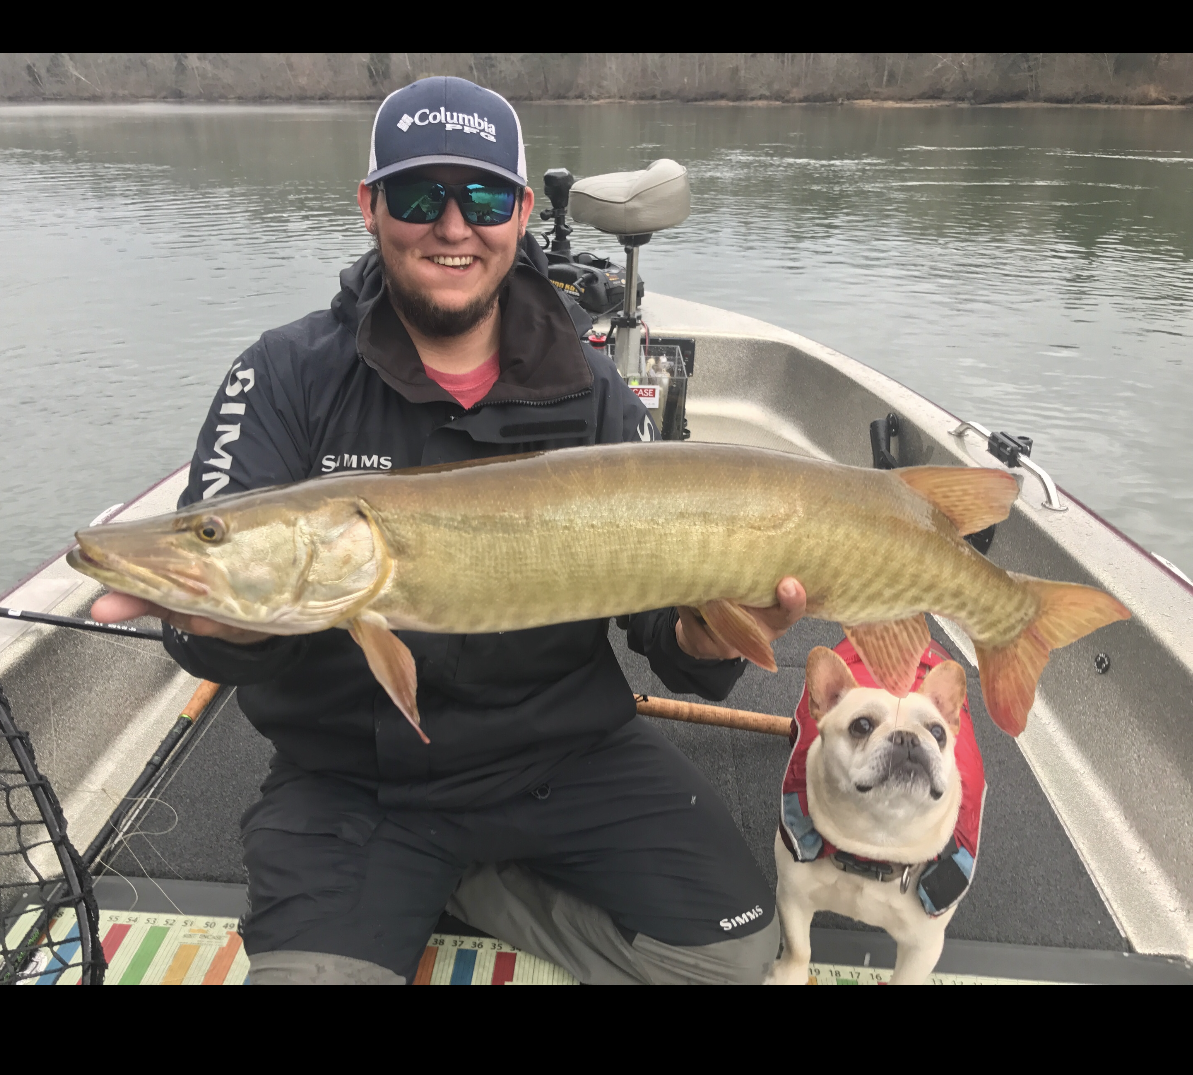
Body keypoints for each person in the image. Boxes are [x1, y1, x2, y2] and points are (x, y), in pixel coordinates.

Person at [92, 76, 807, 984]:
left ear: (520, 215)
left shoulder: (592, 390)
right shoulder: (283, 373)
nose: (454, 226)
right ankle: (416, 879)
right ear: (370, 206)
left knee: (732, 956)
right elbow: (221, 578)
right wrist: (216, 626)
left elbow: (666, 632)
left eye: (484, 199)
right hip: (355, 782)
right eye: (420, 196)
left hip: (562, 754)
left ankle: (471, 885)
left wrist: (707, 636)